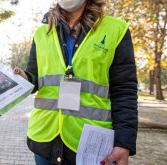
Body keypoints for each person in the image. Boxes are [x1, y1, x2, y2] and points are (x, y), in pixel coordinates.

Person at [14, 0, 138, 164]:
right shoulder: (41, 33)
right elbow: (35, 76)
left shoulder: (116, 30)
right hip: (44, 139)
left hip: (91, 145)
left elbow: (125, 91)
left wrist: (123, 143)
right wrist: (26, 79)